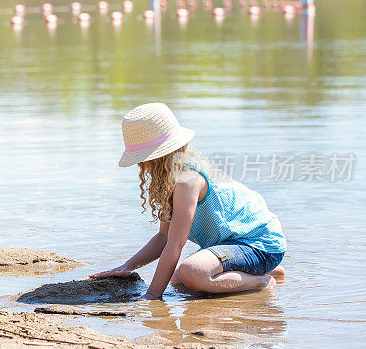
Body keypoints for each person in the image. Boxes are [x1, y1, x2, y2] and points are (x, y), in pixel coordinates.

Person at [90, 103, 285, 299]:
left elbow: (175, 245)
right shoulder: (172, 179)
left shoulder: (187, 180)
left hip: (259, 244)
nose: (141, 166)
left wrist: (150, 299)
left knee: (192, 273)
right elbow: (164, 238)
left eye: (142, 160)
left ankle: (262, 281)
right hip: (232, 243)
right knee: (178, 279)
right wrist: (127, 266)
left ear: (157, 157)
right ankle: (255, 272)